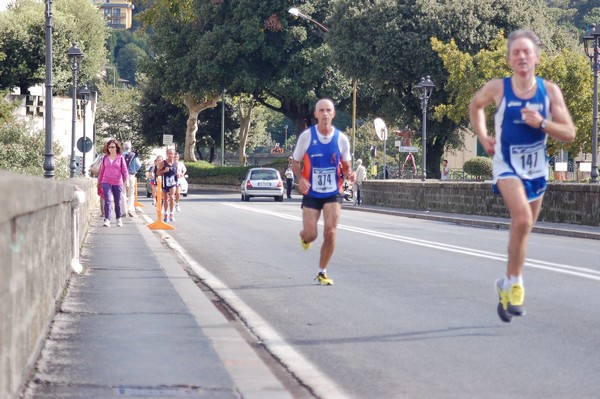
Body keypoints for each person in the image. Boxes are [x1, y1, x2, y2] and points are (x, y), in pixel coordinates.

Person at [469, 29, 575, 322]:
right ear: (509, 60)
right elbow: (476, 105)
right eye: (516, 52)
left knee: (524, 228)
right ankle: (516, 284)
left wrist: (542, 123)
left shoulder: (550, 91)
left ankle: (505, 284)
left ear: (537, 58)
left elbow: (569, 132)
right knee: (523, 219)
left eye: (526, 51)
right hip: (506, 165)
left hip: (537, 169)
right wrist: (483, 135)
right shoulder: (498, 88)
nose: (522, 56)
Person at [291, 98, 355, 286]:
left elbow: (345, 166)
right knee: (312, 234)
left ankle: (322, 271)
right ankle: (305, 237)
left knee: (330, 232)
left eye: (329, 110)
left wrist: (349, 175)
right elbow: (295, 162)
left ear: (333, 114)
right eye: (322, 110)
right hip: (311, 191)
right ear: (316, 114)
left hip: (333, 191)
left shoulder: (341, 139)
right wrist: (300, 178)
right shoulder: (307, 137)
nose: (325, 113)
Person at [97, 139, 129, 227]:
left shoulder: (121, 158)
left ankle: (119, 218)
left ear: (116, 148)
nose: (110, 149)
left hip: (117, 182)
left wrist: (127, 180)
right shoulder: (105, 158)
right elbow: (102, 171)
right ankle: (107, 219)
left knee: (117, 201)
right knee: (107, 200)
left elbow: (125, 170)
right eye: (109, 147)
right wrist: (99, 182)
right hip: (106, 181)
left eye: (112, 147)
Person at [157, 148, 178, 222]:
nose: (170, 155)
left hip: (173, 183)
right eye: (169, 154)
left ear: (174, 154)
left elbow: (176, 172)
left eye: (171, 154)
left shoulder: (176, 163)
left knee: (172, 197)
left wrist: (178, 174)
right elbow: (157, 173)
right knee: (165, 199)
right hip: (165, 183)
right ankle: (166, 214)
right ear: (167, 154)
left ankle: (171, 214)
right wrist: (164, 171)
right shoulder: (163, 163)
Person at [122, 141, 142, 217]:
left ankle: (124, 210)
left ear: (123, 147)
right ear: (130, 147)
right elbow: (139, 165)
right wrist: (134, 170)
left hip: (123, 176)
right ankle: (130, 209)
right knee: (131, 193)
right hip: (131, 175)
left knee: (123, 193)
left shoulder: (121, 155)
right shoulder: (134, 155)